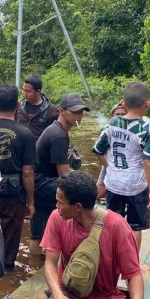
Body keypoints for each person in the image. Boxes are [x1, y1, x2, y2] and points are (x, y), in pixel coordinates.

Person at [41, 171, 150, 299]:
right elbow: (50, 263)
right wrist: (58, 295)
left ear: (77, 207)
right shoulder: (56, 218)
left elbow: (133, 275)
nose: (56, 206)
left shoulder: (117, 226)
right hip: (70, 295)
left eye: (60, 202)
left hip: (107, 298)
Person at [0, 84, 37, 270]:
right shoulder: (26, 134)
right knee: (11, 235)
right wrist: (31, 202)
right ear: (17, 106)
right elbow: (27, 172)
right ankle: (7, 271)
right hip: (14, 194)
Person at [92, 82, 150, 249]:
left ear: (124, 103)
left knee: (113, 222)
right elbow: (148, 162)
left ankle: (113, 258)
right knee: (135, 226)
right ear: (147, 104)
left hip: (113, 184)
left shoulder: (111, 125)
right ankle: (133, 263)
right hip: (136, 185)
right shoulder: (146, 129)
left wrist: (110, 166)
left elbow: (98, 149)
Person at [31, 94, 90, 256]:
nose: (79, 115)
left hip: (41, 180)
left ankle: (42, 261)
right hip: (42, 183)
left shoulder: (58, 130)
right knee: (77, 197)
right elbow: (64, 175)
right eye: (75, 112)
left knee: (39, 229)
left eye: (82, 112)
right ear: (62, 111)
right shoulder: (58, 135)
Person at [96, 103, 128, 202]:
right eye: (118, 114)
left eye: (123, 114)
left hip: (126, 166)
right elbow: (99, 151)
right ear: (112, 116)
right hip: (109, 164)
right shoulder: (106, 130)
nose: (120, 117)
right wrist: (108, 167)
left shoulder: (130, 130)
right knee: (98, 193)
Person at [17, 75, 60, 140]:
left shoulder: (51, 111)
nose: (25, 93)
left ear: (38, 92)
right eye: (23, 90)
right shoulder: (19, 107)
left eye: (28, 91)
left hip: (40, 148)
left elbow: (57, 133)